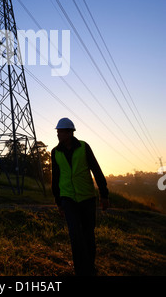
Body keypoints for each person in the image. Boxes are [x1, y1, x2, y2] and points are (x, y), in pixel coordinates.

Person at [51, 117, 109, 276]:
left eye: (60, 132)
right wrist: (58, 202)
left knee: (88, 234)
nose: (58, 135)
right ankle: (80, 271)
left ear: (70, 133)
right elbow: (55, 177)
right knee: (75, 234)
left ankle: (90, 266)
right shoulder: (55, 152)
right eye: (57, 132)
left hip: (87, 198)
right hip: (67, 198)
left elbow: (96, 170)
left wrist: (103, 194)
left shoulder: (84, 147)